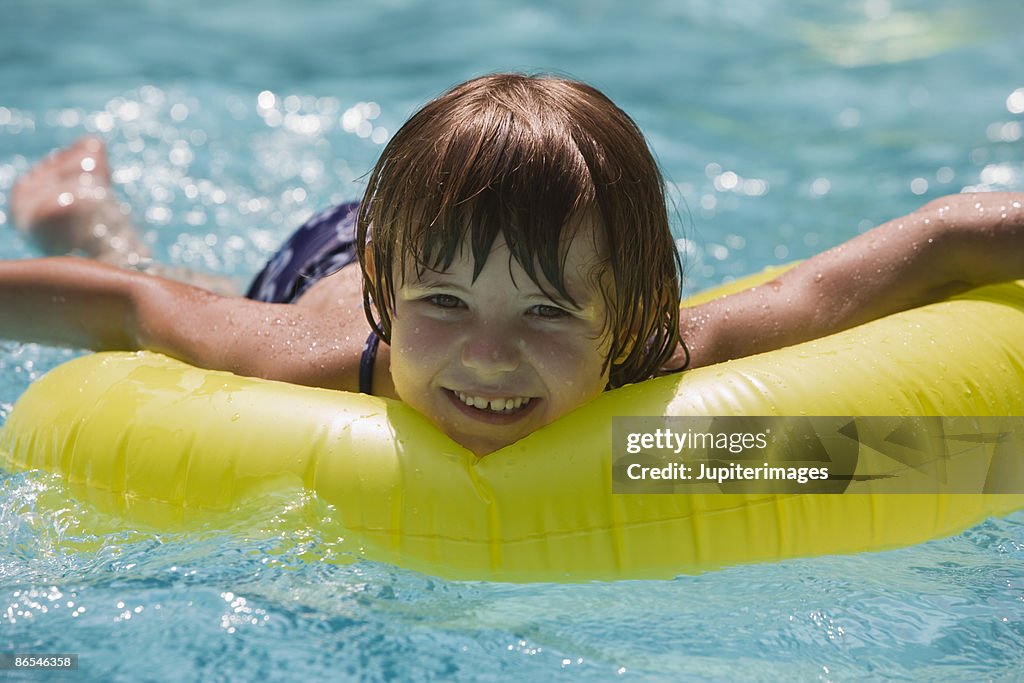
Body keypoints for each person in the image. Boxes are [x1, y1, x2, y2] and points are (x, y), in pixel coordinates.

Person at [2, 73, 1022, 456]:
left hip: (440, 239)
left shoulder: (667, 351)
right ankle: (83, 214)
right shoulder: (315, 354)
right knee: (193, 289)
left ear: (626, 317)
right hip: (328, 257)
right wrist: (91, 259)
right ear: (392, 304)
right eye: (445, 309)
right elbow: (136, 308)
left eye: (545, 315)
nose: (488, 357)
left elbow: (941, 240)